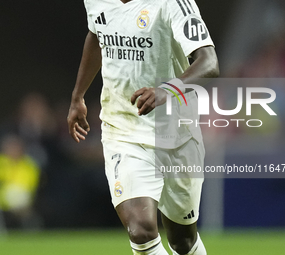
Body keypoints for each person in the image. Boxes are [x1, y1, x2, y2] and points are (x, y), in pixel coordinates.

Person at [67, 0, 219, 254]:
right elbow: (97, 33)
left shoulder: (173, 3)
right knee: (141, 230)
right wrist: (77, 96)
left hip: (177, 134)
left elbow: (209, 62)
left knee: (183, 240)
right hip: (123, 129)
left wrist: (167, 90)